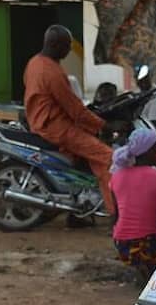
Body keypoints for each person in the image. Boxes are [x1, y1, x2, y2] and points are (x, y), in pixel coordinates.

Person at [24, 25, 115, 216]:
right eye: (66, 46)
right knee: (108, 158)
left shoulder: (34, 63)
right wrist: (103, 125)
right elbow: (74, 109)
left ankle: (83, 209)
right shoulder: (52, 73)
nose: (68, 50)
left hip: (40, 122)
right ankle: (117, 213)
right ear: (56, 45)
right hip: (57, 128)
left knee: (93, 158)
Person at [110, 128, 156, 283]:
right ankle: (151, 269)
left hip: (122, 246)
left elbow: (115, 217)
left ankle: (141, 269)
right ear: (148, 151)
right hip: (148, 246)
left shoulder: (117, 176)